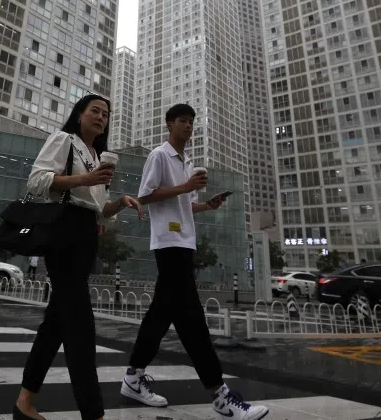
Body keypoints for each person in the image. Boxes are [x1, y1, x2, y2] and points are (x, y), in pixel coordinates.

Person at [120, 104, 268, 420]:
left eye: (191, 122)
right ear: (170, 124)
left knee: (161, 315)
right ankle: (220, 395)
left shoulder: (187, 162)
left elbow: (183, 204)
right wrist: (186, 188)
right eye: (183, 121)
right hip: (168, 242)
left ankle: (133, 377)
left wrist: (206, 205)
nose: (189, 126)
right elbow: (144, 198)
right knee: (192, 320)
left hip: (185, 243)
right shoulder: (159, 156)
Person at [15, 94, 142, 420]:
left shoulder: (97, 155)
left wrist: (121, 201)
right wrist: (86, 179)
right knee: (81, 327)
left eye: (106, 114)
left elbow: (100, 211)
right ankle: (93, 413)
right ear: (79, 114)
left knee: (56, 324)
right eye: (95, 111)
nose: (102, 117)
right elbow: (37, 181)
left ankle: (24, 403)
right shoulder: (64, 140)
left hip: (86, 235)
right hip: (64, 232)